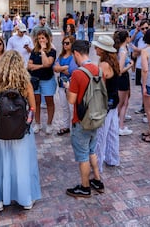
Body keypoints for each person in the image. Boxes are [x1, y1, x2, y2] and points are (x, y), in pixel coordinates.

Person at [0, 50, 41, 211]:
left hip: (0, 132)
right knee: (22, 164)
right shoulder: (25, 84)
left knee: (0, 164)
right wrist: (26, 124)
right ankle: (25, 199)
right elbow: (33, 108)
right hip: (20, 133)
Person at [65, 40, 104, 198]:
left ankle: (85, 186)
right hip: (96, 117)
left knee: (82, 156)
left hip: (81, 120)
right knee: (92, 151)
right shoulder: (98, 69)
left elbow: (71, 100)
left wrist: (68, 88)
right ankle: (97, 180)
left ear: (75, 53)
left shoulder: (77, 73)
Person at [93, 35, 120, 172]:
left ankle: (97, 165)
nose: (95, 48)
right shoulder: (114, 62)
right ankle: (113, 158)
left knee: (101, 135)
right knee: (112, 131)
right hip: (114, 100)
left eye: (97, 47)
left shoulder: (103, 65)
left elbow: (100, 88)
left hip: (106, 103)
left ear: (103, 50)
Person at [27, 30, 57, 134]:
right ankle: (37, 123)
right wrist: (41, 66)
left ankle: (49, 124)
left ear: (47, 39)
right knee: (36, 102)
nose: (41, 40)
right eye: (39, 38)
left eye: (43, 38)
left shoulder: (52, 51)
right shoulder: (34, 51)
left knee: (49, 101)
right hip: (35, 80)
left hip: (47, 80)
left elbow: (48, 64)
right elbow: (29, 66)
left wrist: (43, 51)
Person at [53, 36, 77, 135]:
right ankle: (66, 125)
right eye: (64, 43)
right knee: (64, 106)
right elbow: (55, 68)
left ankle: (74, 126)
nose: (65, 45)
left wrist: (61, 68)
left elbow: (70, 71)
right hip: (62, 85)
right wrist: (64, 68)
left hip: (71, 85)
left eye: (67, 43)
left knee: (72, 107)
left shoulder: (74, 56)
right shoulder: (61, 56)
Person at [114, 30, 134, 136]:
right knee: (121, 103)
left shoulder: (122, 49)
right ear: (126, 38)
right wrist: (130, 65)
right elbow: (120, 70)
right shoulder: (123, 51)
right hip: (122, 78)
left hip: (123, 78)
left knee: (124, 102)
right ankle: (116, 126)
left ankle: (120, 125)